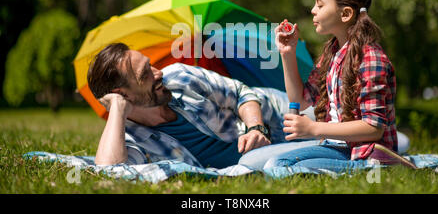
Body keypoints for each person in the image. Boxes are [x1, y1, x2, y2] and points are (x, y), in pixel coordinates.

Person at [262, 0, 416, 172]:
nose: (312, 10)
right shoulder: (332, 54)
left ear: (345, 14)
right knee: (274, 164)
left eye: (320, 4)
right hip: (336, 147)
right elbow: (299, 100)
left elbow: (373, 128)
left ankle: (381, 169)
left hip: (365, 153)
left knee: (278, 166)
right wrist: (287, 53)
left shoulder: (370, 58)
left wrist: (314, 129)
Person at [88, 42, 319, 168]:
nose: (158, 73)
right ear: (122, 94)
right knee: (258, 161)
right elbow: (110, 171)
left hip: (280, 113)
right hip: (261, 156)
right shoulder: (132, 139)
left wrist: (255, 127)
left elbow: (241, 92)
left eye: (150, 65)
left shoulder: (178, 76)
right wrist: (117, 109)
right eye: (144, 75)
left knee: (338, 118)